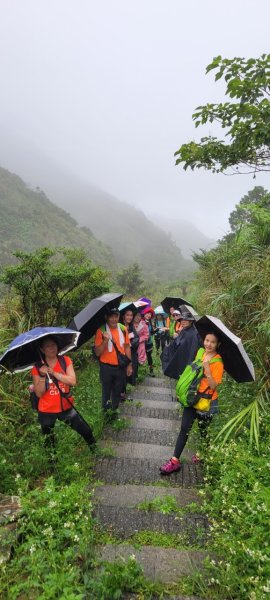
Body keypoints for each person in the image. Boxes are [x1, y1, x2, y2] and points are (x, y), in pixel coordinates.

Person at [160, 331, 224, 474]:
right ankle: (174, 460)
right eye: (207, 340)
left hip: (206, 402)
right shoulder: (200, 353)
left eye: (213, 342)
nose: (209, 344)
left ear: (218, 344)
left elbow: (214, 386)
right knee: (184, 429)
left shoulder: (218, 362)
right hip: (192, 397)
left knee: (203, 431)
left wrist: (207, 370)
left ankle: (203, 455)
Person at [32, 336, 96, 457]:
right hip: (46, 410)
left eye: (53, 345)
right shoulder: (37, 368)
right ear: (42, 349)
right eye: (48, 346)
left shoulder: (65, 360)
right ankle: (53, 465)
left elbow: (72, 381)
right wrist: (42, 375)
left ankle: (95, 450)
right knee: (49, 441)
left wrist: (54, 373)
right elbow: (39, 393)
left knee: (85, 430)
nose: (52, 348)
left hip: (65, 406)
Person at [94, 308, 132, 414]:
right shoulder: (101, 331)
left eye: (116, 316)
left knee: (117, 391)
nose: (114, 319)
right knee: (106, 392)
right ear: (106, 317)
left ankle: (114, 413)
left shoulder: (123, 329)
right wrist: (105, 341)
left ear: (119, 316)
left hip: (120, 366)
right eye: (111, 316)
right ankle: (106, 414)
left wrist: (129, 365)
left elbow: (127, 347)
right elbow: (97, 352)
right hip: (106, 367)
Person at [161, 310, 202, 380]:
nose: (183, 321)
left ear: (191, 321)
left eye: (186, 320)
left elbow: (193, 349)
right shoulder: (184, 330)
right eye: (182, 320)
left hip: (187, 357)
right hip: (180, 355)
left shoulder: (194, 333)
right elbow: (177, 342)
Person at [120, 308, 139, 399]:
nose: (129, 317)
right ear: (123, 316)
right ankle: (121, 392)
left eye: (131, 315)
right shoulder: (119, 326)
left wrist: (130, 344)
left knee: (129, 373)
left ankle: (124, 390)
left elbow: (136, 339)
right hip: (122, 355)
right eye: (127, 315)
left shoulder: (131, 327)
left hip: (131, 354)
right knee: (122, 373)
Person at [141, 307, 155, 377]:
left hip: (149, 343)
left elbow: (151, 332)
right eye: (147, 313)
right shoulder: (140, 321)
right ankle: (141, 371)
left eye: (150, 314)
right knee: (141, 356)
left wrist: (157, 330)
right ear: (144, 313)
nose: (149, 315)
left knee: (149, 356)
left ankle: (151, 371)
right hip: (142, 343)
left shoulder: (149, 322)